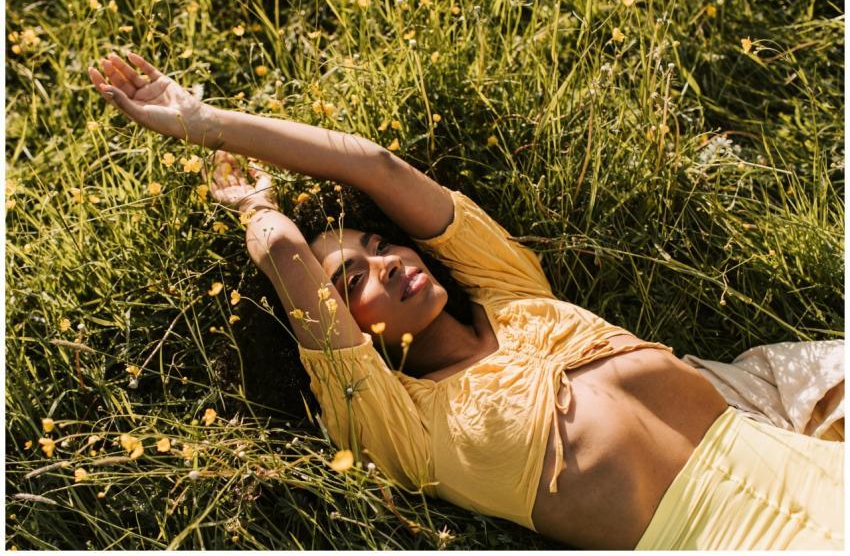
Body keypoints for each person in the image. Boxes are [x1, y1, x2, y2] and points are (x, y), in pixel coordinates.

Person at [88, 51, 844, 550]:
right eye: (356, 282)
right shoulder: (399, 423)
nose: (389, 265)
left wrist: (211, 119)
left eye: (383, 249)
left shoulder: (513, 294)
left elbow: (377, 167)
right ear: (356, 336)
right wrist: (254, 202)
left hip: (815, 474)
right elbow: (285, 253)